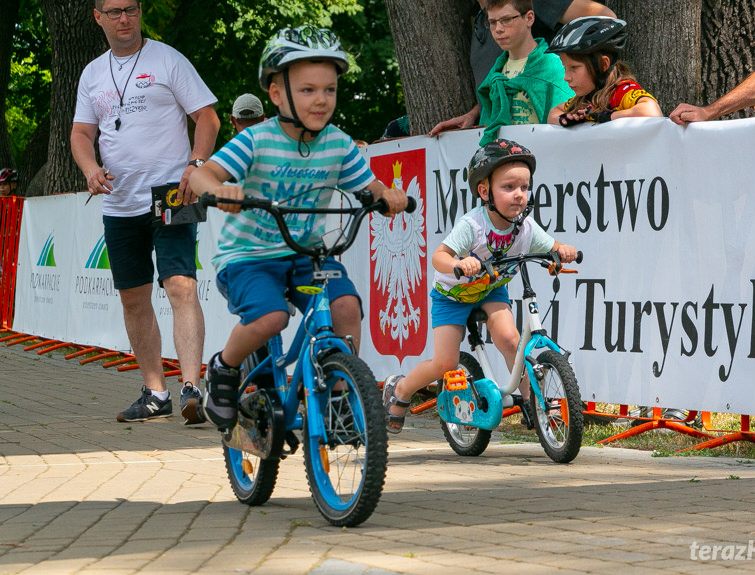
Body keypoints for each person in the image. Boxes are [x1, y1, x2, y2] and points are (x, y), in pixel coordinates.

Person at [188, 26, 408, 430]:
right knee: (272, 317)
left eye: (329, 89)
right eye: (308, 90)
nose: (321, 99)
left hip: (308, 254)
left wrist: (385, 194)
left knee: (345, 307)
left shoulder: (339, 144)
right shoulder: (256, 140)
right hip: (249, 257)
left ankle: (341, 396)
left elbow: (368, 186)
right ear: (276, 94)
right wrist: (218, 190)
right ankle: (224, 367)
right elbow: (202, 174)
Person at [70, 0, 220, 424]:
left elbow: (207, 119)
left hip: (172, 193)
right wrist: (90, 168)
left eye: (131, 9)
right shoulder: (92, 73)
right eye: (114, 11)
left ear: (139, 12)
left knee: (181, 286)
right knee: (133, 298)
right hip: (119, 202)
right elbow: (82, 133)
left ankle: (192, 386)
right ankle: (155, 391)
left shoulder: (168, 59)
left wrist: (195, 165)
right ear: (98, 17)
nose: (124, 18)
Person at [382, 138, 579, 433]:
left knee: (511, 340)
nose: (519, 195)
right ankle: (401, 390)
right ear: (485, 192)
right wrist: (459, 264)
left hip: (490, 290)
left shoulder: (525, 226)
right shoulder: (472, 226)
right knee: (445, 362)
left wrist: (562, 251)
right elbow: (439, 257)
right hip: (453, 294)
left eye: (524, 188)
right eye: (509, 187)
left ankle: (533, 403)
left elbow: (552, 245)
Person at [429, 0, 613, 137]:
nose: (498, 29)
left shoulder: (551, 67)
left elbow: (607, 19)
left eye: (506, 20)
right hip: (502, 166)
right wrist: (474, 115)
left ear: (529, 18)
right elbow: (505, 87)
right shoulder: (483, 29)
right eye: (492, 22)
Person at [546, 16, 662, 126]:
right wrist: (565, 119)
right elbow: (554, 112)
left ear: (603, 64)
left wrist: (607, 117)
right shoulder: (584, 99)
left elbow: (652, 111)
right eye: (565, 68)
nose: (566, 77)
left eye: (574, 68)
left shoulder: (621, 92)